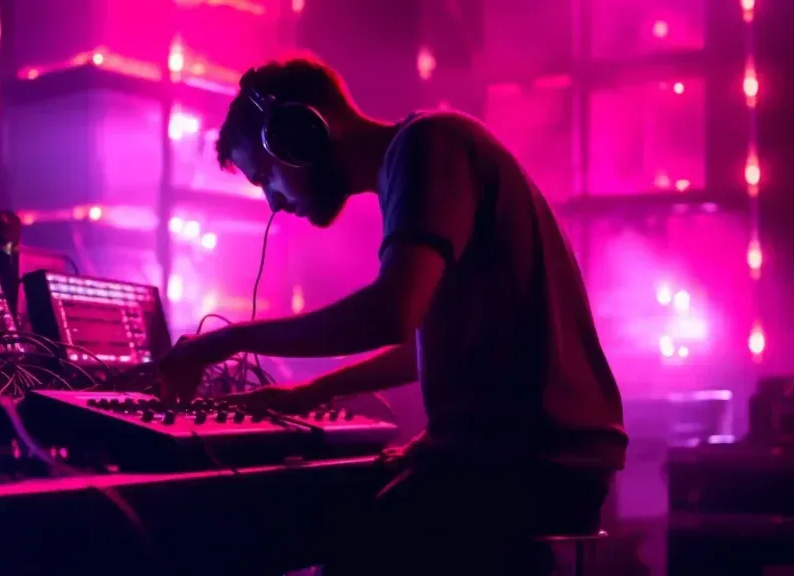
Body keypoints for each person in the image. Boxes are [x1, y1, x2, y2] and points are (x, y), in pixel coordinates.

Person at [157, 57, 628, 575]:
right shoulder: (422, 157)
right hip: (543, 453)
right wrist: (306, 394)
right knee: (338, 508)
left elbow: (391, 313)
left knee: (330, 535)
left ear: (301, 132)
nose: (273, 200)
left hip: (529, 459)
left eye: (266, 174)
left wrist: (224, 341)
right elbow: (420, 347)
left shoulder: (430, 145)